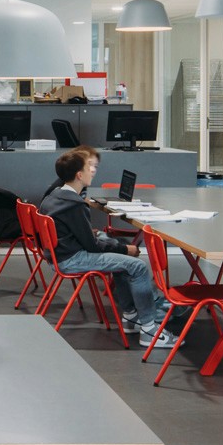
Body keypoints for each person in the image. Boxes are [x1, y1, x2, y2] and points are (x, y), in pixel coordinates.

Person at [36, 146, 171, 347]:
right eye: (89, 167)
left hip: (60, 255)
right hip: (73, 259)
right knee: (137, 265)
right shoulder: (75, 204)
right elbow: (93, 247)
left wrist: (112, 244)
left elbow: (76, 233)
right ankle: (150, 330)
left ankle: (131, 315)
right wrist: (125, 250)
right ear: (79, 175)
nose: (93, 171)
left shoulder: (54, 196)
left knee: (120, 258)